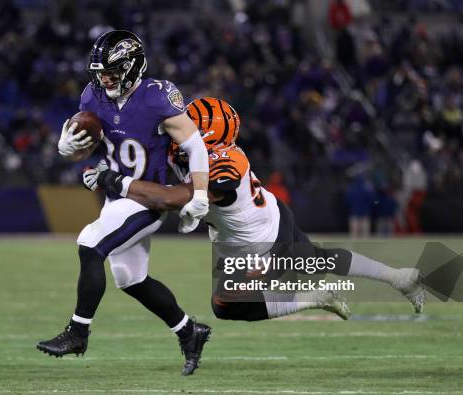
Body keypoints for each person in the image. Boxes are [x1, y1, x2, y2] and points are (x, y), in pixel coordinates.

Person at [88, 97, 426, 323]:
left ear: (206, 136)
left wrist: (114, 181)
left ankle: (315, 298)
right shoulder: (204, 152)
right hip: (268, 215)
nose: (179, 128)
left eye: (189, 125)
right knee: (316, 257)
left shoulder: (221, 168)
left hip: (257, 244)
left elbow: (170, 197)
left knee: (227, 305)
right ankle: (398, 276)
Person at [37, 30, 211, 376]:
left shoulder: (156, 96)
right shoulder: (94, 95)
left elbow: (196, 147)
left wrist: (201, 194)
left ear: (133, 68)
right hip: (117, 194)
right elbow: (93, 141)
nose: (104, 80)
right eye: (100, 73)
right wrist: (70, 149)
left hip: (147, 196)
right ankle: (190, 332)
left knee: (90, 243)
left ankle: (78, 332)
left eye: (112, 73)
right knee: (130, 277)